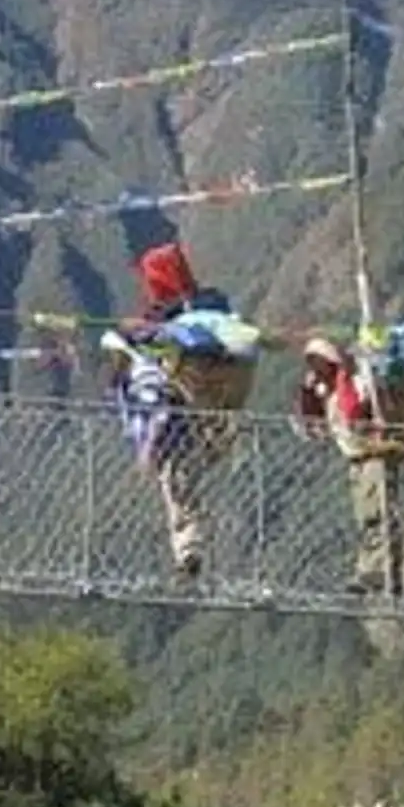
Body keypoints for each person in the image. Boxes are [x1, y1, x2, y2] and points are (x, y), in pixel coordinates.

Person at [108, 242, 260, 577]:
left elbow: (136, 351)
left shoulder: (160, 318)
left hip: (183, 397)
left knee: (175, 472)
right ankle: (189, 546)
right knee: (183, 468)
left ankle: (188, 545)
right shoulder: (215, 304)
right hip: (222, 398)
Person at [295, 319, 404, 598]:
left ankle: (384, 573)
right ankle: (371, 571)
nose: (314, 367)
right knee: (367, 518)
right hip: (357, 458)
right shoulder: (325, 390)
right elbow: (311, 426)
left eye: (319, 361)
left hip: (374, 454)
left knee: (380, 514)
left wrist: (342, 380)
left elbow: (353, 413)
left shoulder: (354, 382)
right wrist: (308, 394)